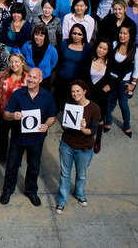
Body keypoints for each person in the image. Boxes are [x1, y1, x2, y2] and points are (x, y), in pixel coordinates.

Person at [0, 68, 57, 206]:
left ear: (40, 80)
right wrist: (13, 115)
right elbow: (6, 114)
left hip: (37, 139)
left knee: (34, 166)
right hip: (18, 138)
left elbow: (52, 116)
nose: (31, 80)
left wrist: (47, 125)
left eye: (34, 77)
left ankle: (31, 191)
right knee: (12, 165)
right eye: (29, 76)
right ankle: (8, 190)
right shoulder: (18, 94)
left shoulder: (47, 96)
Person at [54, 79, 100, 214]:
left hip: (85, 147)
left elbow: (93, 131)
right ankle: (62, 201)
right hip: (67, 145)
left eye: (78, 91)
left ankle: (79, 194)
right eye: (73, 91)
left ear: (84, 91)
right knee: (65, 174)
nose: (75, 94)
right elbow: (64, 125)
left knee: (81, 175)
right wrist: (65, 125)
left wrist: (84, 128)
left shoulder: (94, 108)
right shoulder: (69, 105)